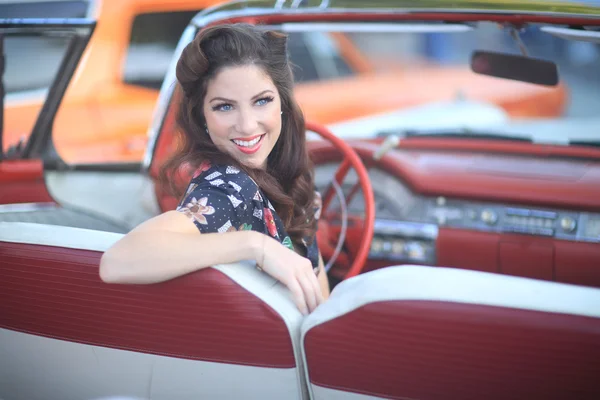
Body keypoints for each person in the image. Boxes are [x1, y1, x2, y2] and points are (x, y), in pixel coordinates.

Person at [99, 23, 329, 315]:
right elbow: (118, 261)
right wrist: (255, 246)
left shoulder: (291, 175)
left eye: (262, 101)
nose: (246, 125)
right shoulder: (228, 188)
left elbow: (321, 298)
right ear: (202, 116)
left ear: (282, 103)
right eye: (224, 107)